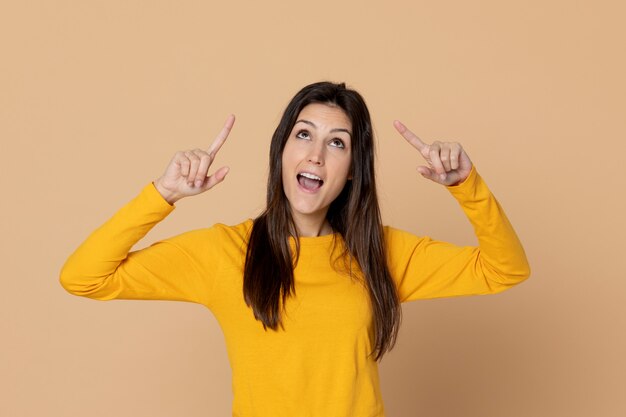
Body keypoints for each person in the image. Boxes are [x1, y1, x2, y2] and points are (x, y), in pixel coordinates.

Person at [60, 81, 530, 417]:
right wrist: (164, 194)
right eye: (303, 134)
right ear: (281, 151)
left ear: (351, 171)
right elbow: (83, 277)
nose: (315, 155)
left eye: (337, 143)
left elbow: (505, 270)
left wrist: (467, 185)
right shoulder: (225, 252)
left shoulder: (378, 253)